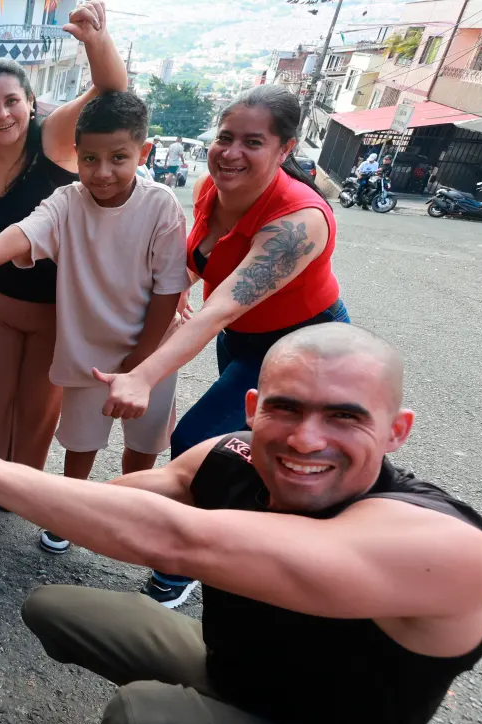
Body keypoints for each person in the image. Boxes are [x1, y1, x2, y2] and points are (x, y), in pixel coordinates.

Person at [0, 323, 482, 724]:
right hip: (240, 676)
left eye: (345, 417)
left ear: (397, 431)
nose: (307, 439)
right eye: (286, 408)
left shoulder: (444, 544)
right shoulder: (229, 455)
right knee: (55, 608)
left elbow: (180, 541)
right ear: (252, 410)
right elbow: (110, 509)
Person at [97, 84, 350, 608]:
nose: (231, 153)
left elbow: (221, 307)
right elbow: (197, 266)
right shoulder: (214, 190)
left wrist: (144, 372)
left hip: (301, 347)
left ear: (285, 149)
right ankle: (249, 547)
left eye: (252, 142)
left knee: (198, 442)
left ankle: (182, 564)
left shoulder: (298, 220)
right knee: (253, 449)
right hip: (242, 340)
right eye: (225, 137)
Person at [0, 91, 187, 553]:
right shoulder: (67, 201)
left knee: (143, 438)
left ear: (144, 152)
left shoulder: (161, 206)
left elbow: (169, 288)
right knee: (81, 437)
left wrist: (141, 364)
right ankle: (72, 514)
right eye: (90, 158)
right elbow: (22, 233)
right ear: (76, 154)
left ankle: (130, 513)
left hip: (152, 350)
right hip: (88, 349)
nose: (103, 171)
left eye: (119, 157)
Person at [0, 0, 127, 511]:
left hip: (56, 309)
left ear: (30, 101)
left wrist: (95, 42)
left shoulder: (52, 139)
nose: (1, 114)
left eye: (11, 101)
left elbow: (111, 90)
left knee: (37, 401)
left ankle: (21, 483)